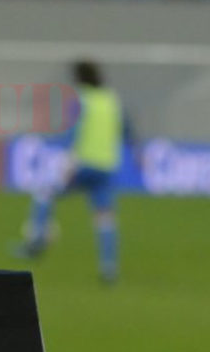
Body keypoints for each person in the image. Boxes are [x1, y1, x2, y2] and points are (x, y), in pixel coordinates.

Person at [14, 60, 128, 283]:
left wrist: (68, 159)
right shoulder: (111, 99)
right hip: (106, 166)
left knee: (45, 193)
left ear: (79, 77)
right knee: (105, 218)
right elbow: (125, 129)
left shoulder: (82, 99)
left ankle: (36, 243)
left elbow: (75, 132)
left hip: (83, 163)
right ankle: (109, 269)